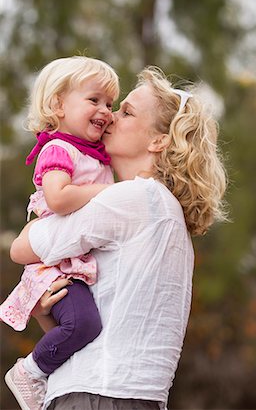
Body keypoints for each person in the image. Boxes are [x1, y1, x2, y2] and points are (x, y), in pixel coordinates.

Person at [9, 66, 227, 410]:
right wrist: (44, 309)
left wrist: (30, 229)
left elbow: (22, 248)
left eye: (126, 111)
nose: (109, 116)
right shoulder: (161, 208)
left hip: (98, 395)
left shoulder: (133, 198)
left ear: (158, 141)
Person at [1, 56, 120, 409]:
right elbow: (58, 197)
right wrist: (109, 193)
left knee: (81, 325)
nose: (105, 111)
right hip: (55, 265)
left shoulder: (96, 157)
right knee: (84, 324)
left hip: (74, 261)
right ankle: (31, 372)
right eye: (94, 100)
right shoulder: (59, 148)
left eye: (110, 104)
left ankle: (50, 373)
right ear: (58, 104)